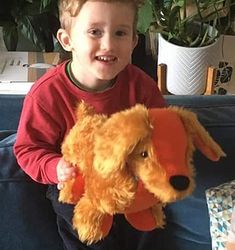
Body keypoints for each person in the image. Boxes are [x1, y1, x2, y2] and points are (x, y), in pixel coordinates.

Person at [14, 0, 166, 249]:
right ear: (66, 40)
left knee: (150, 225)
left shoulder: (142, 86)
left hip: (131, 178)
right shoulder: (46, 95)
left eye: (120, 33)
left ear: (133, 42)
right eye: (95, 32)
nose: (108, 44)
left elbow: (162, 130)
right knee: (83, 226)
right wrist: (56, 167)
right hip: (80, 185)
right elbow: (28, 149)